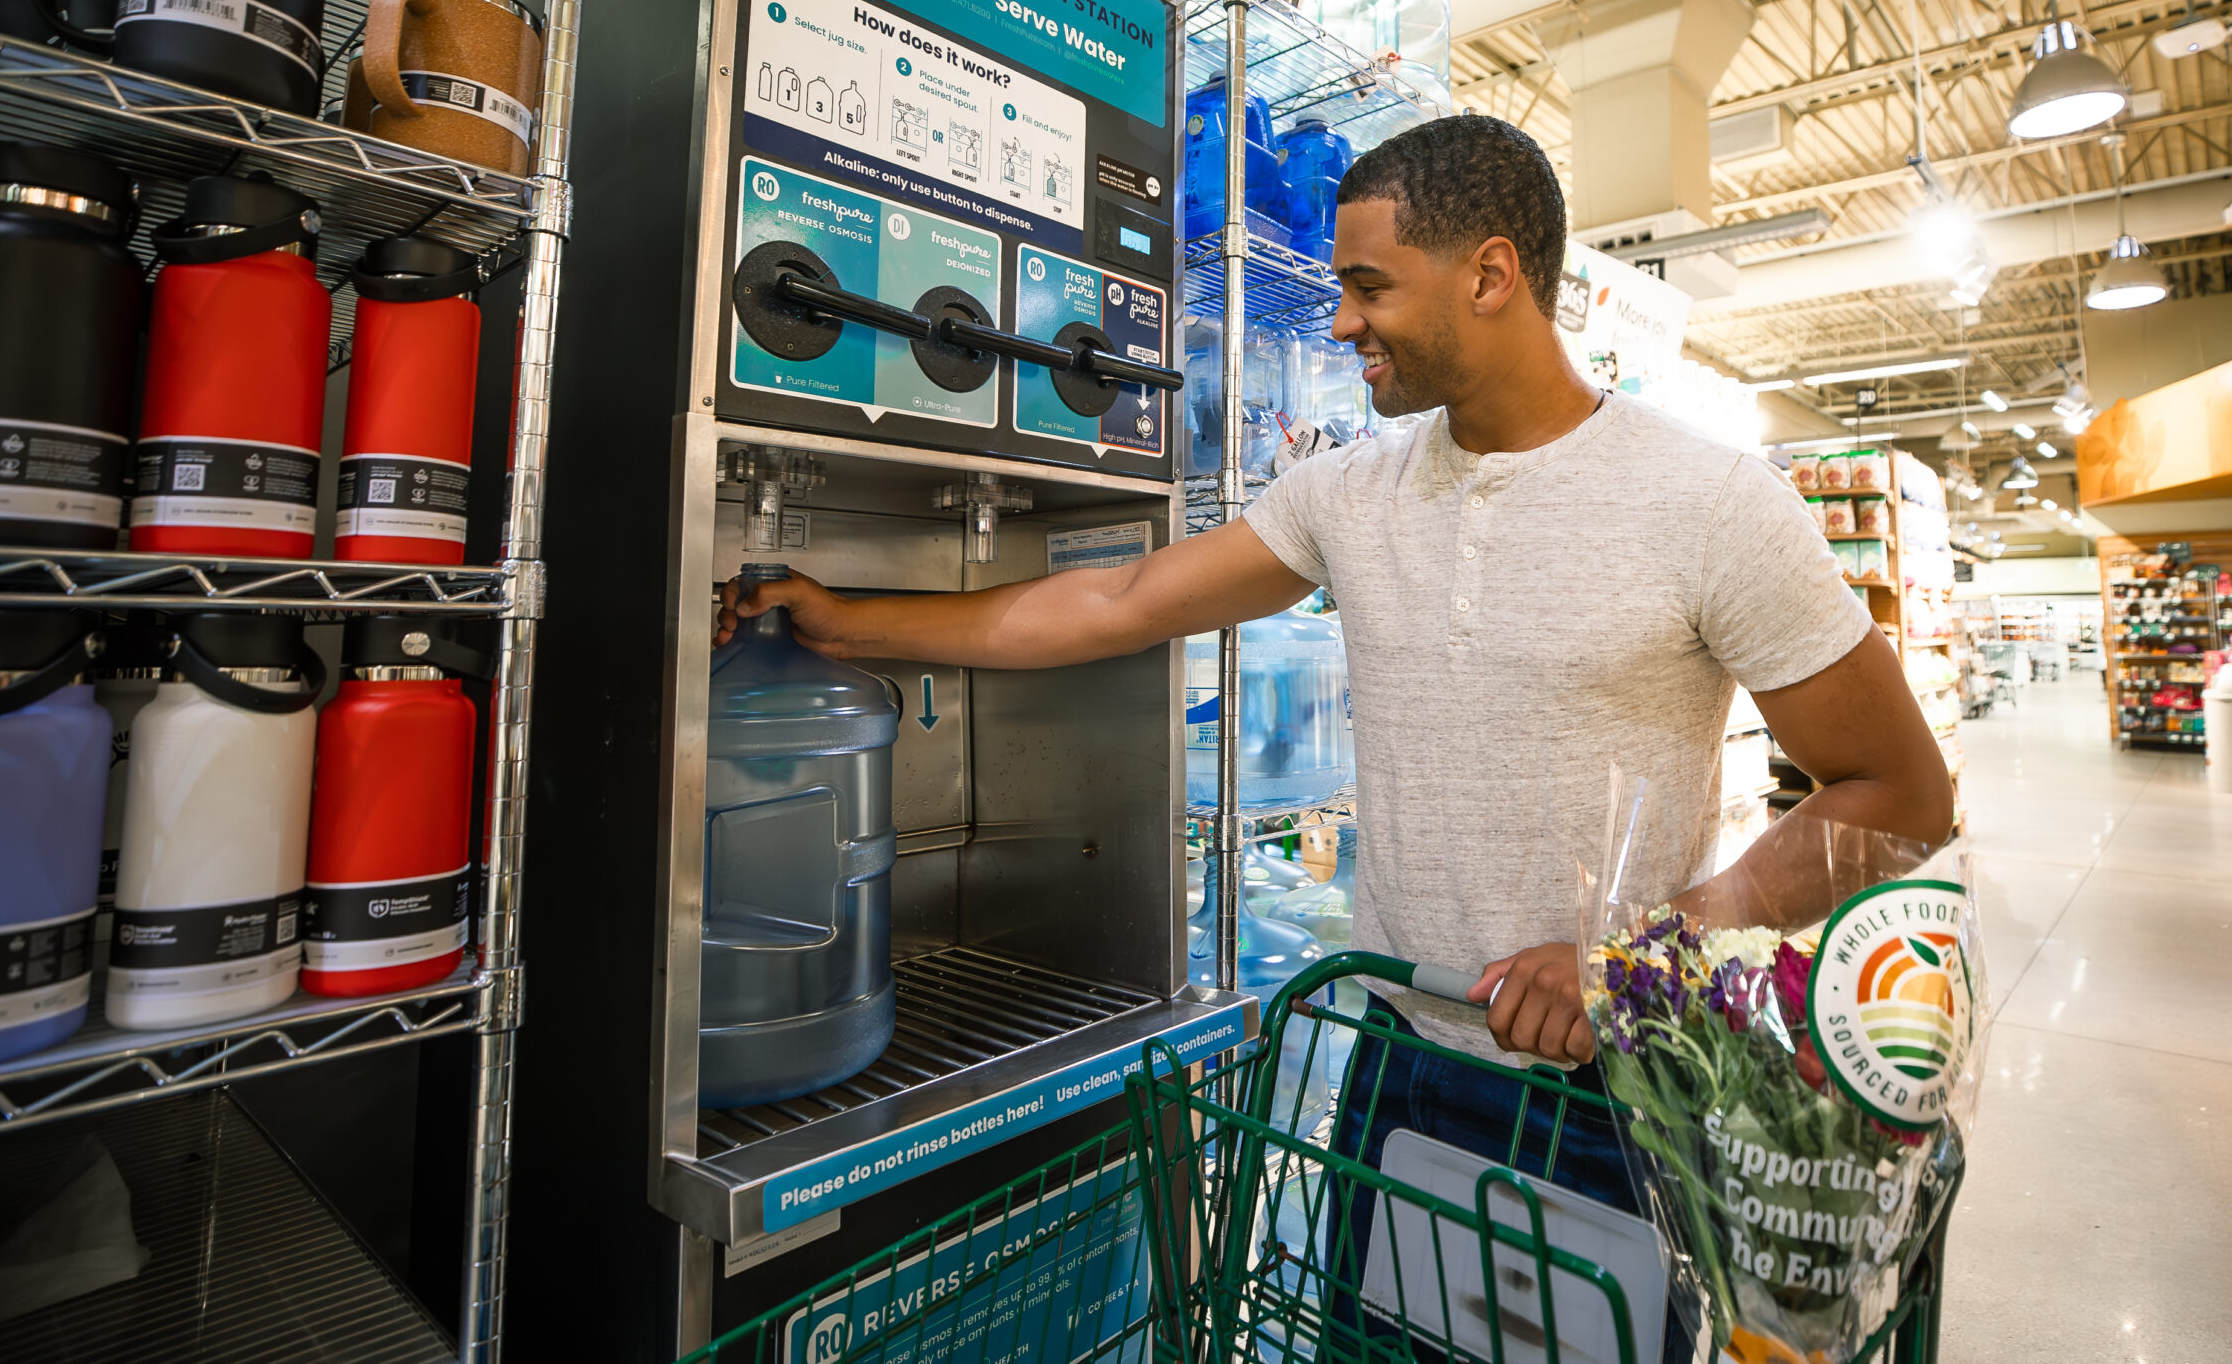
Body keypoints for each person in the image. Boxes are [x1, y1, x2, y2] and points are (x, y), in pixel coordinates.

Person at [716, 113, 1953, 1344]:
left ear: (1490, 275)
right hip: (1398, 1056)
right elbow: (1120, 600)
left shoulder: (1711, 502)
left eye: (1367, 288)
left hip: (1609, 1092)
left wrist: (1642, 957)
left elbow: (1899, 793)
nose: (1341, 323)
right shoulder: (1348, 492)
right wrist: (848, 620)